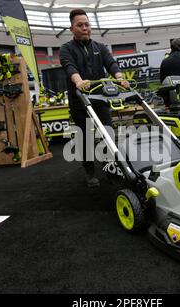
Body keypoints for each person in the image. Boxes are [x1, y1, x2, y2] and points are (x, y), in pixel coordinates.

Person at [60, 9, 129, 187]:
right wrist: (79, 82)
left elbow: (111, 63)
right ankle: (90, 172)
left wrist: (120, 78)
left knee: (108, 134)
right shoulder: (66, 49)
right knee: (85, 138)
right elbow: (69, 68)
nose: (85, 28)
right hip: (79, 102)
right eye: (80, 25)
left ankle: (110, 168)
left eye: (87, 24)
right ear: (71, 28)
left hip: (100, 100)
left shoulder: (100, 47)